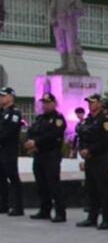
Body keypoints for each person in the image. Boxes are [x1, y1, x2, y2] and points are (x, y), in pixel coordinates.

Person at [75, 94, 108, 229]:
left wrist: (90, 150)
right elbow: (82, 137)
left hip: (100, 158)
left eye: (93, 102)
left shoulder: (105, 121)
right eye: (89, 102)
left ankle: (106, 220)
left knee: (103, 190)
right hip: (89, 159)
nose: (90, 104)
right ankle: (92, 218)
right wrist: (82, 150)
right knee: (91, 189)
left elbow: (107, 140)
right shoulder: (88, 120)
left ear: (99, 104)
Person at [24, 93, 66, 222]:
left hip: (51, 154)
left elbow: (54, 135)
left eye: (48, 103)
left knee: (53, 184)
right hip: (39, 154)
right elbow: (31, 131)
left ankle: (60, 212)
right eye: (44, 103)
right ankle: (45, 209)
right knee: (41, 184)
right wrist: (31, 143)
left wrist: (36, 142)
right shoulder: (40, 118)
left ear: (54, 104)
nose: (45, 105)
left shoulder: (58, 119)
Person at [0, 86, 24, 215]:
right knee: (1, 178)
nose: (0, 98)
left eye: (3, 96)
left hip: (9, 150)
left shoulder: (14, 113)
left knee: (13, 178)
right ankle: (3, 204)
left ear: (11, 97)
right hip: (1, 150)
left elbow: (8, 132)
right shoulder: (2, 112)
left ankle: (18, 207)